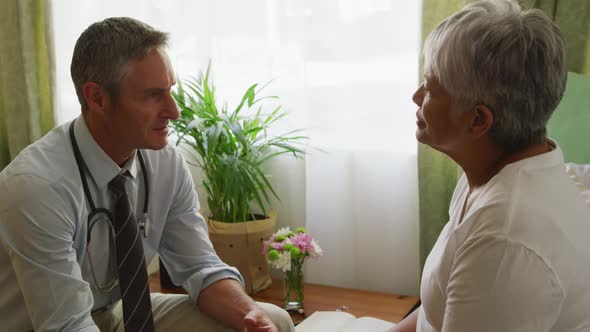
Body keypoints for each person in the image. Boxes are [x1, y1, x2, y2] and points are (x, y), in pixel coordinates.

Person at [0, 17, 294, 332]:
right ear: (97, 97)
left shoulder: (166, 163)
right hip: (46, 324)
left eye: (170, 91)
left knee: (273, 321)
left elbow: (200, 267)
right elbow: (66, 324)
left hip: (108, 314)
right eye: (153, 95)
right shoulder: (36, 186)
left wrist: (250, 316)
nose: (174, 111)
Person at [390, 1, 590, 331]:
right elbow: (438, 307)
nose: (416, 96)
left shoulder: (506, 243)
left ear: (478, 120)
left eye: (431, 87)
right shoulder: (490, 170)